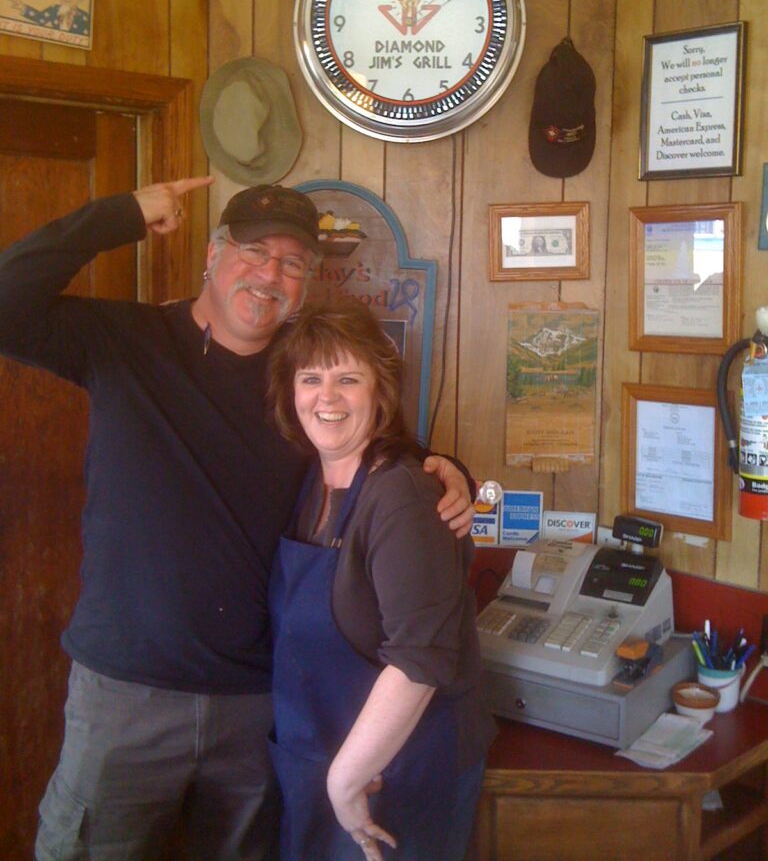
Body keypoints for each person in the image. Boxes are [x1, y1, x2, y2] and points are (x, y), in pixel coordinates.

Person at [0, 179, 475, 861]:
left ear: (306, 284)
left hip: (259, 703)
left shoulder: (300, 376)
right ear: (213, 256)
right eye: (254, 251)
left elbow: (365, 447)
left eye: (292, 263)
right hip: (126, 696)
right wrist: (122, 215)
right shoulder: (123, 339)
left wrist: (442, 466)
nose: (270, 274)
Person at [267, 298, 496, 861]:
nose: (327, 397)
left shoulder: (403, 494)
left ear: (380, 391)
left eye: (349, 378)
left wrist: (346, 781)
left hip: (400, 774)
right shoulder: (309, 481)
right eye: (311, 378)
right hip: (327, 759)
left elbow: (420, 659)